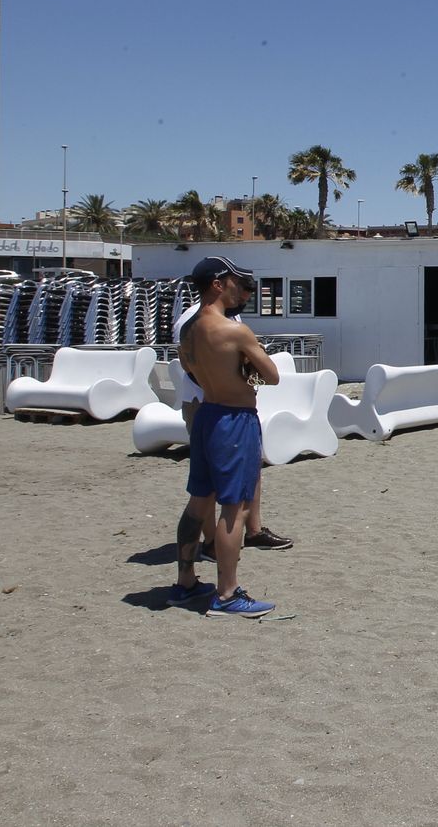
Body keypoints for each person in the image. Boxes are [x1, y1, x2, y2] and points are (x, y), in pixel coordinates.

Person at [169, 256, 280, 618]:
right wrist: (249, 363)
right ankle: (227, 592)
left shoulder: (190, 329)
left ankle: (185, 582)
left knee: (198, 501)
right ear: (217, 283)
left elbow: (191, 369)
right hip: (235, 419)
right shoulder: (234, 330)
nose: (240, 288)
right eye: (234, 281)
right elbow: (271, 375)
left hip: (206, 414)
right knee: (235, 507)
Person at [172, 298, 292, 557]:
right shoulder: (192, 321)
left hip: (232, 408)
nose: (247, 293)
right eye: (240, 285)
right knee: (210, 487)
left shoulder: (230, 318)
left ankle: (253, 531)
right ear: (218, 285)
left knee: (249, 470)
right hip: (209, 403)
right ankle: (212, 542)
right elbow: (190, 364)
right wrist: (234, 377)